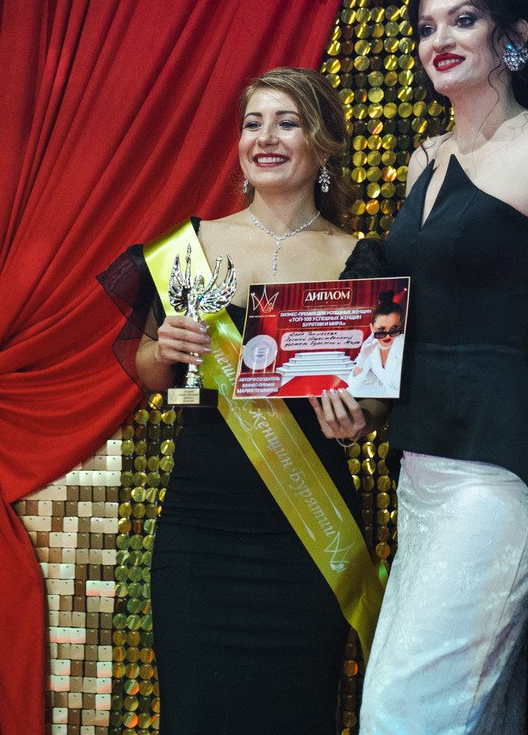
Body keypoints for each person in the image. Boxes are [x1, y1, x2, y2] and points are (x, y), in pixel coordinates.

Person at [356, 0, 528, 734]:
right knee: (478, 711)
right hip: (421, 461)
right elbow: (407, 316)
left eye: (462, 20)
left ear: (513, 36)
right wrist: (358, 394)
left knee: (404, 713)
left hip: (499, 466)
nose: (439, 39)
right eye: (426, 26)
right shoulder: (423, 161)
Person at [98, 68, 386, 735]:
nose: (265, 137)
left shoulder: (363, 260)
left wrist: (358, 420)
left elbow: (377, 405)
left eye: (287, 122)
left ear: (322, 143)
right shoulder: (190, 246)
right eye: (253, 123)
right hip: (200, 535)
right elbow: (153, 371)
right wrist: (164, 349)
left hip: (307, 540)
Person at [347, 290, 405, 396]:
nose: (388, 336)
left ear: (400, 325)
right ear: (372, 328)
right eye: (381, 329)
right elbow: (353, 384)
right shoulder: (371, 347)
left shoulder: (403, 344)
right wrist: (362, 358)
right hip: (388, 396)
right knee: (350, 391)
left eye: (394, 328)